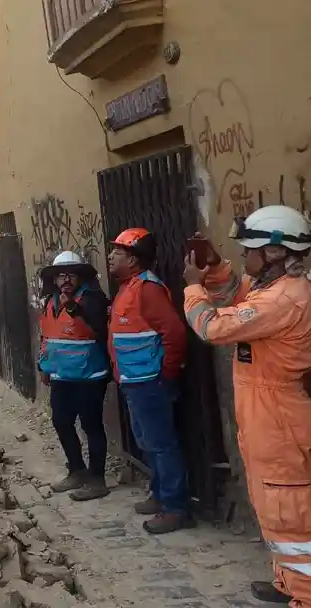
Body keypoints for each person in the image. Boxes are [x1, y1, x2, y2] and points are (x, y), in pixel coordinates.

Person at [182, 206, 311, 605]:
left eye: (249, 249)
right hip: (266, 413)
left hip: (280, 419)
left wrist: (192, 288)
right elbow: (240, 295)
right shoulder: (273, 288)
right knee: (273, 506)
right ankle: (287, 582)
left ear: (274, 252)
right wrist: (215, 269)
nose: (244, 255)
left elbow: (213, 326)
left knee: (288, 511)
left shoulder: (284, 300)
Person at [107, 227, 190, 534]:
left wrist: (166, 372)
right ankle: (159, 495)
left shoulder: (148, 290)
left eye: (117, 252)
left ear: (134, 259)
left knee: (162, 445)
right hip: (134, 380)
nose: (111, 256)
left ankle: (175, 507)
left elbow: (175, 333)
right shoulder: (128, 288)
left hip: (150, 381)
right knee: (148, 442)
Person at [37, 251, 111, 502]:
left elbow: (101, 330)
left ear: (80, 277)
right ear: (54, 280)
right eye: (61, 276)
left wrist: (76, 309)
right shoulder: (50, 301)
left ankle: (97, 480)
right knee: (61, 421)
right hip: (61, 376)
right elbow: (46, 336)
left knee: (92, 426)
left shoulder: (93, 299)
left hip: (89, 376)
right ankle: (77, 470)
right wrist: (44, 367)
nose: (66, 280)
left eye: (71, 274)